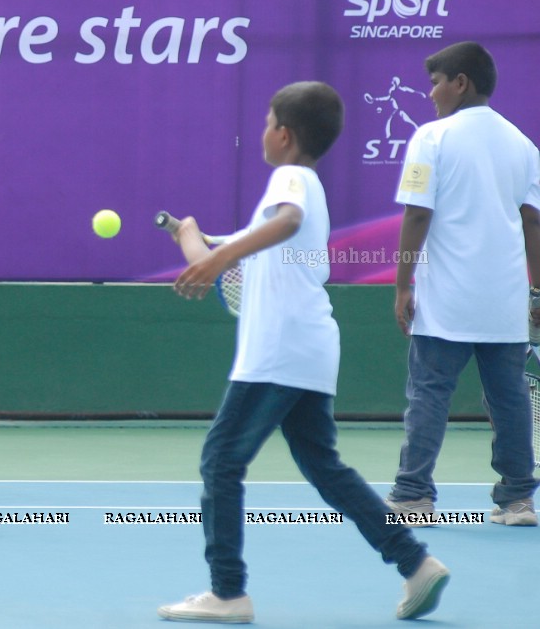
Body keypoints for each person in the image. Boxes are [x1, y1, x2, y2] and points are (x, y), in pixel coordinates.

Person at [157, 82, 448, 623]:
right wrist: (191, 238)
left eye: (267, 121)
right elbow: (229, 257)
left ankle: (227, 593)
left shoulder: (290, 181)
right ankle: (415, 561)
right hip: (309, 352)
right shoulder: (285, 200)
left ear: (284, 135)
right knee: (325, 467)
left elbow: (281, 225)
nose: (263, 129)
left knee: (220, 461)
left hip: (278, 352)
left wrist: (217, 260)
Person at [386, 41, 540, 526]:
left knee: (428, 395)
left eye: (436, 82)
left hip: (446, 302)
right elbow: (533, 222)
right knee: (510, 398)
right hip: (504, 303)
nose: (430, 93)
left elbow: (416, 213)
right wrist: (537, 290)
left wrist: (402, 285)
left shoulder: (431, 138)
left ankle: (413, 496)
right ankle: (518, 501)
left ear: (461, 83)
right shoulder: (523, 144)